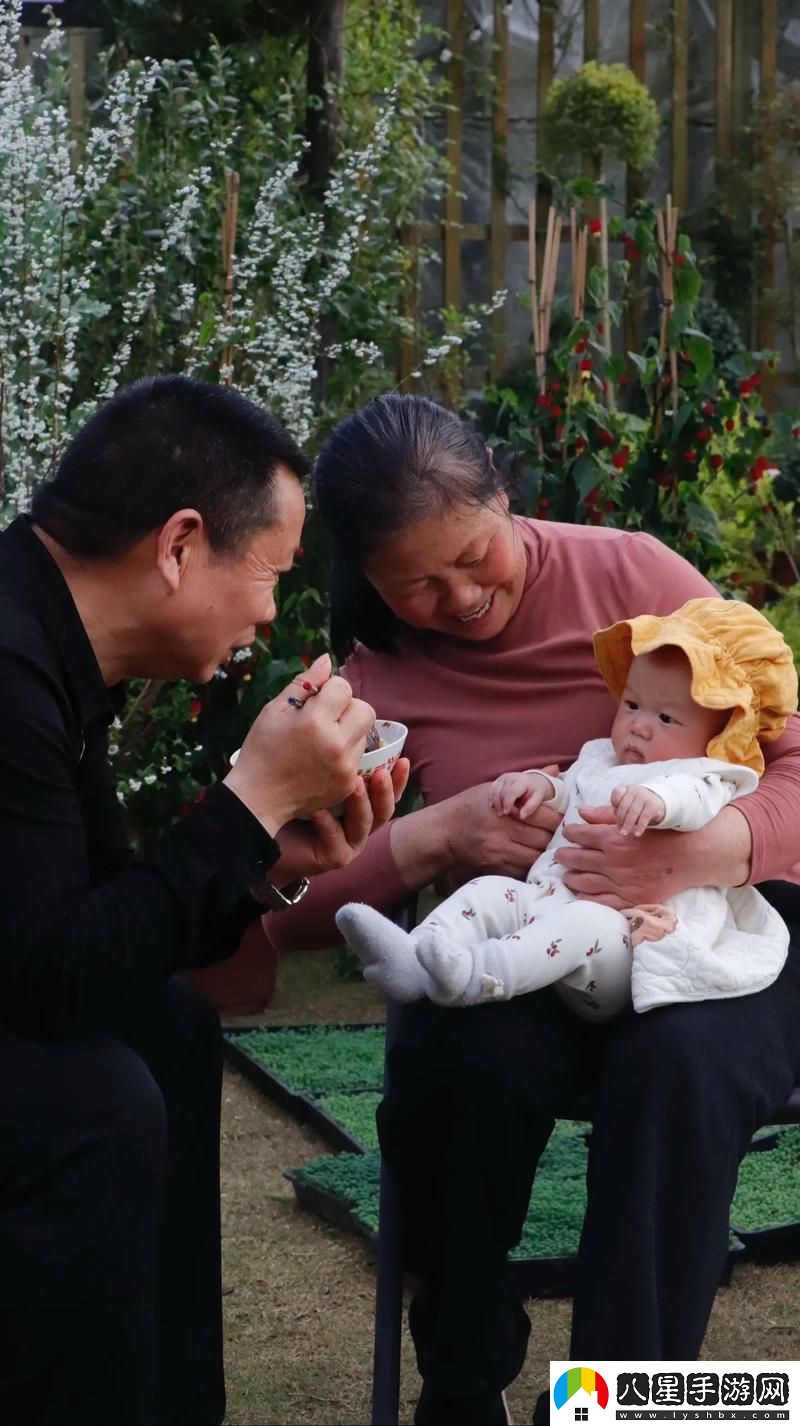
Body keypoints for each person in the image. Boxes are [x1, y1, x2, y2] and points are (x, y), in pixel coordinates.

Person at [265, 392, 800, 1426]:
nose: (460, 597)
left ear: (505, 498)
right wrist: (434, 835)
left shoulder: (632, 573)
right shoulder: (372, 680)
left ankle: (624, 1408)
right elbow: (281, 904)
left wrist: (697, 850)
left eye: (475, 555)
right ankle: (464, 1380)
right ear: (367, 579)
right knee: (448, 1064)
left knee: (673, 1072)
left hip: (715, 938)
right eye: (416, 583)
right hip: (528, 948)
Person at [0, 375, 408, 1426]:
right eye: (268, 573)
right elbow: (50, 977)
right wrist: (249, 795)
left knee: (168, 1024)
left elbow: (94, 918)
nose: (272, 610)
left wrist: (268, 857)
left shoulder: (52, 644)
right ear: (179, 545)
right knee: (93, 1109)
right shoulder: (9, 659)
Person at [336, 597, 797, 1020]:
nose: (639, 727)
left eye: (666, 718)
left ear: (720, 735)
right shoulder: (602, 758)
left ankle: (480, 975)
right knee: (489, 890)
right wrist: (535, 785)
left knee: (583, 922)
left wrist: (660, 801)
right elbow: (568, 789)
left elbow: (694, 804)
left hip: (625, 945)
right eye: (633, 705)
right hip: (547, 908)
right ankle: (415, 958)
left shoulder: (706, 774)